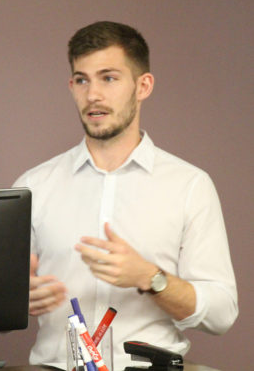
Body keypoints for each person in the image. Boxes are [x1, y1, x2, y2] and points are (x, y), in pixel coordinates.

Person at [13, 21, 238, 369]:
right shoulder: (33, 187)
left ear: (143, 85)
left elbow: (221, 314)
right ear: (71, 86)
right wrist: (10, 298)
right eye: (82, 80)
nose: (93, 96)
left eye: (109, 78)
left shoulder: (190, 185)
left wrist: (151, 278)